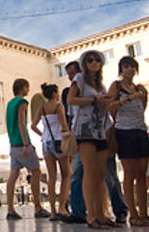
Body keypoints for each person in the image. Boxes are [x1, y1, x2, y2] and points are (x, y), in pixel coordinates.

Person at [107, 56, 149, 227]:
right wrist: (127, 99)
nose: (129, 69)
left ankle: (144, 213)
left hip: (140, 130)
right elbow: (109, 107)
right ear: (121, 69)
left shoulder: (140, 88)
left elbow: (142, 107)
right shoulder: (116, 86)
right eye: (126, 66)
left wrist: (138, 97)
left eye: (132, 66)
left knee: (143, 174)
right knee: (130, 173)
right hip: (124, 131)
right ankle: (133, 214)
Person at [67, 50, 114, 229]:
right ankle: (91, 215)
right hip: (84, 130)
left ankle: (101, 213)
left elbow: (103, 110)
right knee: (90, 171)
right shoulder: (79, 79)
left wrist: (105, 102)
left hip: (99, 130)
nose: (94, 62)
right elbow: (71, 100)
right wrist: (95, 99)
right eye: (90, 60)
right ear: (84, 64)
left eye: (97, 60)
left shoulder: (100, 85)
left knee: (100, 173)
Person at [5, 78, 49, 220]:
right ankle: (38, 207)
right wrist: (26, 143)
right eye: (27, 87)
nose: (28, 90)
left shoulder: (10, 104)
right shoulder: (22, 103)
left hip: (13, 143)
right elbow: (21, 123)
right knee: (36, 171)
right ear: (22, 88)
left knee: (13, 175)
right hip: (22, 143)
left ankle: (10, 209)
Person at [29, 83, 71, 220]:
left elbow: (33, 125)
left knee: (51, 177)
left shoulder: (42, 108)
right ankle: (62, 207)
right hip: (59, 141)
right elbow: (64, 126)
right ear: (54, 93)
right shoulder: (59, 107)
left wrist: (43, 134)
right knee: (66, 175)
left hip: (46, 143)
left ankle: (52, 212)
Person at [63, 60, 87, 224]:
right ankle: (80, 211)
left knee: (101, 174)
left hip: (89, 132)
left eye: (72, 73)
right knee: (78, 174)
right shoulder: (72, 89)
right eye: (69, 74)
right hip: (79, 133)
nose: (71, 77)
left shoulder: (85, 85)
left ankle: (87, 210)